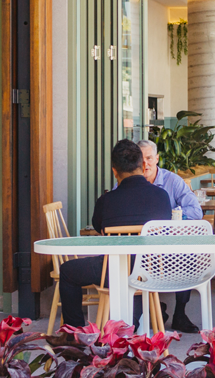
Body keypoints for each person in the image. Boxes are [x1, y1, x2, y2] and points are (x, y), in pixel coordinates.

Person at [60, 140, 172, 328]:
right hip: (152, 271)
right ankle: (129, 328)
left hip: (111, 272)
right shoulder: (162, 196)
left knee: (67, 271)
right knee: (136, 273)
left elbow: (98, 227)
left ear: (114, 171)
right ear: (143, 165)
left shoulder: (107, 201)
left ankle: (75, 333)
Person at [112, 141, 204, 333]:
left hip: (168, 248)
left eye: (149, 158)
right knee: (131, 264)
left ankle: (180, 313)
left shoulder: (173, 181)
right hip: (137, 249)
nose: (145, 163)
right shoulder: (124, 184)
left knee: (187, 255)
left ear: (157, 159)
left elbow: (196, 211)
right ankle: (148, 311)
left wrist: (169, 217)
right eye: (141, 158)